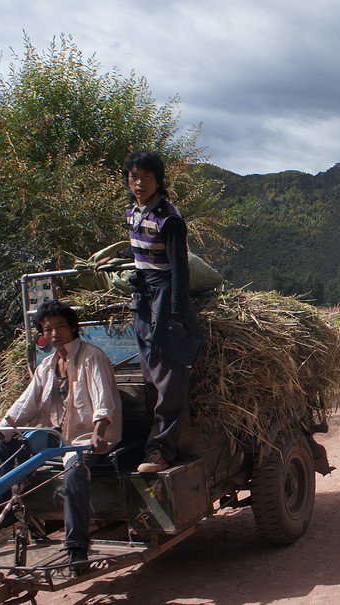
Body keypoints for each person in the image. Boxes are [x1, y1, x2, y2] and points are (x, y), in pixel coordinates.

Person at [0, 300, 122, 570]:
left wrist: (99, 432)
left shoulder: (92, 356)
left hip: (86, 438)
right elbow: (24, 406)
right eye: (48, 329)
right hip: (55, 438)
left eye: (60, 327)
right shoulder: (47, 366)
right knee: (2, 447)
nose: (55, 334)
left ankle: (77, 548)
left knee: (75, 472)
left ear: (73, 327)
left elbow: (104, 401)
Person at [120, 151, 203, 473]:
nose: (139, 183)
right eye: (134, 177)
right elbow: (138, 250)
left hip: (164, 299)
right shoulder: (133, 213)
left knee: (169, 379)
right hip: (142, 297)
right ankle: (148, 443)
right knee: (150, 377)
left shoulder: (169, 218)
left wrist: (176, 313)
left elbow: (180, 270)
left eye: (147, 177)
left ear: (159, 181)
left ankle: (162, 451)